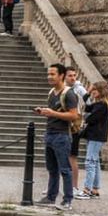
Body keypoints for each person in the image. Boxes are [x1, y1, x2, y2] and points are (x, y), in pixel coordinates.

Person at [33, 64, 81, 208]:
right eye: (49, 74)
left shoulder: (69, 94)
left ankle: (67, 200)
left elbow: (74, 115)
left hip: (62, 136)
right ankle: (50, 197)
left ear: (61, 76)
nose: (49, 77)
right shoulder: (52, 92)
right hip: (50, 133)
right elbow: (54, 112)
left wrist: (52, 113)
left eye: (53, 74)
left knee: (65, 169)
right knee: (52, 169)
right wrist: (43, 111)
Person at [78, 83, 108, 199]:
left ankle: (87, 190)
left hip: (96, 136)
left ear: (102, 91)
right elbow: (86, 107)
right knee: (95, 162)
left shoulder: (102, 105)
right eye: (93, 90)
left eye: (95, 90)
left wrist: (86, 116)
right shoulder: (98, 104)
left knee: (90, 162)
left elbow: (90, 117)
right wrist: (88, 93)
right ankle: (95, 189)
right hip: (95, 136)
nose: (93, 91)